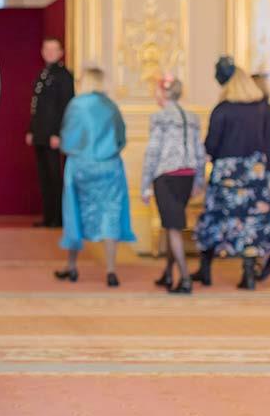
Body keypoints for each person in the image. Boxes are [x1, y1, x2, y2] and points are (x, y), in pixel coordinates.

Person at [193, 57, 270, 290]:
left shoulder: (223, 110)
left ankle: (205, 270)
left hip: (228, 173)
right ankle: (249, 274)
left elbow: (211, 146)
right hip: (257, 174)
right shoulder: (266, 111)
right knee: (252, 224)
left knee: (215, 218)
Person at [54, 66, 135, 287]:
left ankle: (71, 265)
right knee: (110, 214)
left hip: (81, 166)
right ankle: (110, 270)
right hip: (110, 167)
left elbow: (67, 139)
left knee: (74, 211)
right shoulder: (111, 106)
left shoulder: (77, 105)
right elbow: (122, 138)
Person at [141, 74, 204, 294]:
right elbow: (199, 152)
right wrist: (199, 179)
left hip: (166, 176)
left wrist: (145, 183)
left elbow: (153, 152)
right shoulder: (192, 118)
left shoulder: (160, 118)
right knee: (171, 224)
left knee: (173, 227)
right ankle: (168, 274)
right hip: (186, 176)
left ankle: (185, 278)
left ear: (164, 93)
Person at [25, 38, 74, 228]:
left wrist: (58, 133)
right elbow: (37, 107)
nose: (50, 52)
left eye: (54, 49)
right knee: (44, 177)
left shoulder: (64, 76)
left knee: (55, 178)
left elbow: (65, 107)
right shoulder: (43, 74)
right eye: (47, 49)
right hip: (40, 134)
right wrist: (31, 129)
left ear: (61, 52)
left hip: (54, 136)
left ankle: (58, 219)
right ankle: (48, 217)